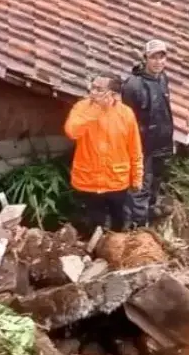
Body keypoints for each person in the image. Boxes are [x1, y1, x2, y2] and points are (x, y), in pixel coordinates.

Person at [64, 73, 143, 236]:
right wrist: (95, 111)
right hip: (88, 182)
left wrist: (137, 177)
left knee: (119, 225)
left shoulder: (126, 114)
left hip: (117, 182)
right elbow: (72, 132)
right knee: (92, 228)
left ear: (113, 95)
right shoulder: (81, 108)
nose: (93, 92)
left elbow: (135, 148)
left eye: (99, 89)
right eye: (92, 87)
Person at [121, 39, 176, 227]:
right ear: (145, 58)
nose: (158, 62)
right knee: (140, 185)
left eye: (162, 57)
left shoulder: (163, 78)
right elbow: (126, 119)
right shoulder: (133, 85)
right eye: (154, 57)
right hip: (142, 144)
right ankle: (137, 226)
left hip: (162, 142)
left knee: (156, 181)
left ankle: (150, 215)